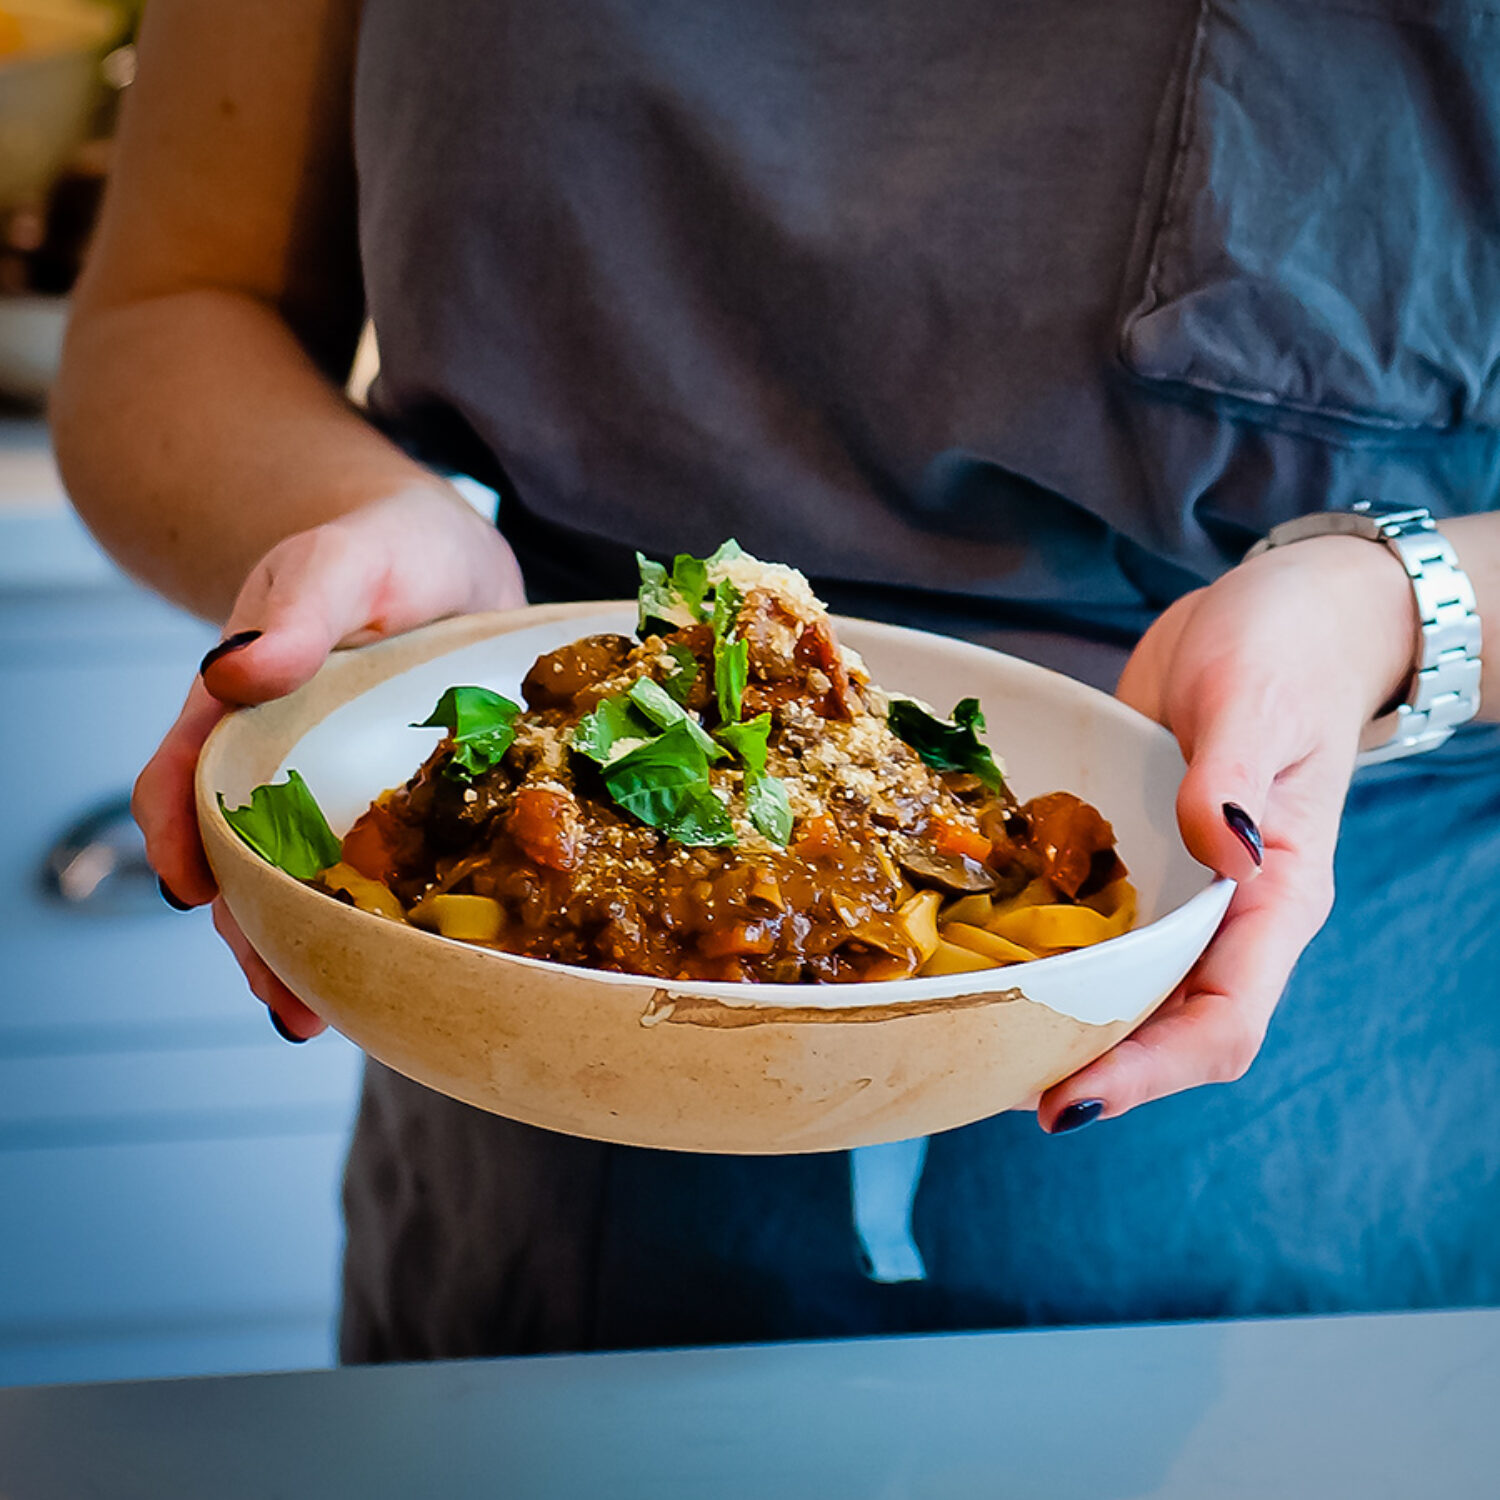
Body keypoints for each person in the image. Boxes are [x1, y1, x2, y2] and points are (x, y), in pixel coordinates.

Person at [53, 0, 1500, 1358]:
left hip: (1301, 1170)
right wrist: (368, 529)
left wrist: (1394, 610)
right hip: (534, 1143)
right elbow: (180, 303)